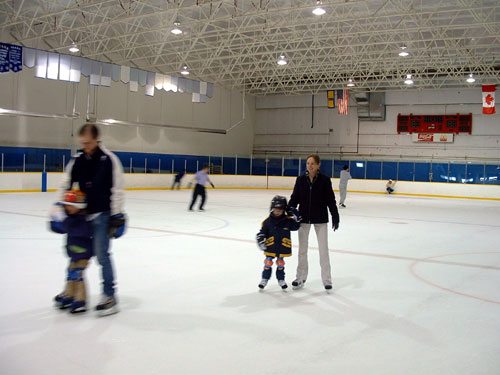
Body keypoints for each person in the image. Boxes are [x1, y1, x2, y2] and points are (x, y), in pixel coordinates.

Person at [59, 123, 125, 316]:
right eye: (82, 143)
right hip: (81, 215)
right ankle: (71, 290)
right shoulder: (78, 159)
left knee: (101, 255)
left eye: (87, 142)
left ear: (96, 139)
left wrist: (117, 215)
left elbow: (117, 190)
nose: (85, 146)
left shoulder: (109, 160)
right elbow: (66, 183)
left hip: (101, 216)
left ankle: (109, 296)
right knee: (75, 254)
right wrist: (59, 205)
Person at [288, 154, 340, 290]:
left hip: (320, 219)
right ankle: (300, 277)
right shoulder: (300, 180)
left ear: (318, 165)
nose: (309, 166)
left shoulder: (324, 180)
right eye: (307, 163)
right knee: (302, 250)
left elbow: (330, 200)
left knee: (323, 250)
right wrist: (289, 210)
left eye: (312, 163)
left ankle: (327, 279)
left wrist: (335, 215)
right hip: (303, 218)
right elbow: (294, 198)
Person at [51, 190, 93, 314]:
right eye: (66, 205)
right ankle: (69, 295)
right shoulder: (72, 218)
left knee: (77, 275)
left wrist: (63, 220)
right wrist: (54, 220)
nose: (67, 208)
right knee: (70, 274)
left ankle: (81, 300)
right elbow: (61, 229)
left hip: (84, 254)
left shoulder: (83, 220)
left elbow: (76, 231)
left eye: (70, 206)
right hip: (74, 254)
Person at [256, 196, 301, 290]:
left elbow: (296, 226)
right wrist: (260, 239)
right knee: (268, 263)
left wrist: (295, 214)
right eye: (276, 210)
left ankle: (281, 279)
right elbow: (262, 232)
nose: (278, 212)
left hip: (282, 246)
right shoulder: (267, 222)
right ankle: (264, 279)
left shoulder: (288, 221)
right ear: (272, 209)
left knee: (280, 263)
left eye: (280, 210)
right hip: (271, 246)